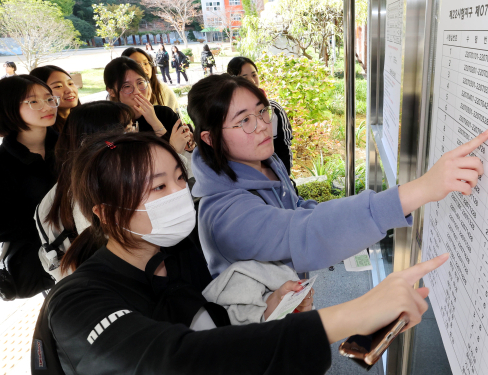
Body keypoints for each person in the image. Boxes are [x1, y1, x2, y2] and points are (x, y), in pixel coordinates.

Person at [35, 131, 449, 374]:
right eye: (158, 188)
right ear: (108, 214)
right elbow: (177, 361)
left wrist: (266, 308)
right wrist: (349, 316)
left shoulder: (181, 249)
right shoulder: (75, 302)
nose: (181, 195)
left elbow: (215, 328)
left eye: (180, 178)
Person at [188, 75, 488, 278]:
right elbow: (305, 233)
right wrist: (422, 189)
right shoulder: (224, 214)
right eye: (244, 121)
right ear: (210, 139)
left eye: (262, 111)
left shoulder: (263, 162)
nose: (264, 126)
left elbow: (298, 211)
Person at [35, 101, 135, 281]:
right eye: (126, 129)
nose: (135, 134)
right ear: (103, 139)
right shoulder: (94, 187)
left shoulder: (72, 178)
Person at [0, 75, 59, 298]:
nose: (47, 106)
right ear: (9, 108)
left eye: (49, 98)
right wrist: (47, 219)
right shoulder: (1, 163)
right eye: (33, 101)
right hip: (43, 263)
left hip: (89, 249)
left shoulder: (69, 145)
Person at [105, 57, 193, 154]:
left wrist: (190, 141)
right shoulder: (108, 123)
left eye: (140, 82)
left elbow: (184, 153)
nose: (137, 92)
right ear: (111, 91)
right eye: (126, 86)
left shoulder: (165, 114)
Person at [227, 57, 294, 174]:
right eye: (244, 77)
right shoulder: (230, 116)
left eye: (254, 75)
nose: (252, 81)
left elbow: (284, 146)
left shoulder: (274, 109)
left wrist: (284, 178)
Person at [121, 47, 179, 112]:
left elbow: (178, 119)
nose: (143, 68)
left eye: (145, 63)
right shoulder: (122, 94)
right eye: (136, 65)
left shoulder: (163, 90)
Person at [29, 65, 81, 133]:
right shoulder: (46, 132)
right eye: (58, 86)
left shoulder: (85, 119)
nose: (69, 90)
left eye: (70, 83)